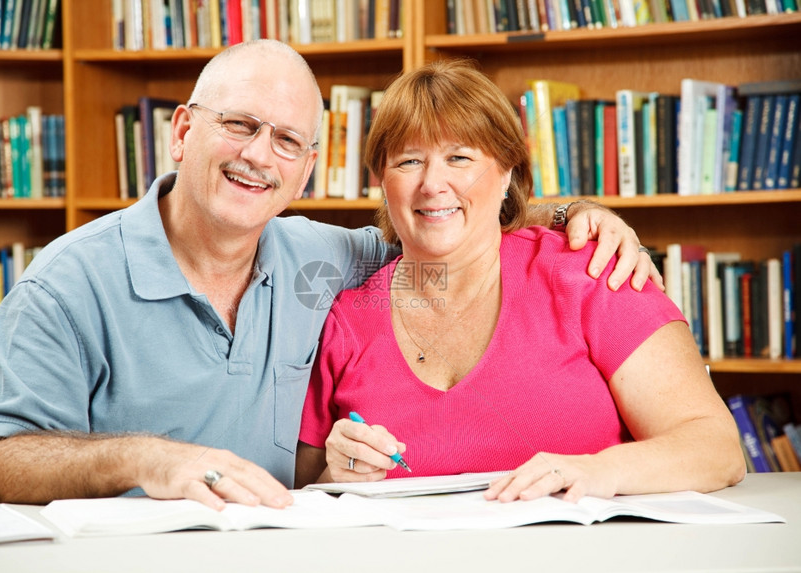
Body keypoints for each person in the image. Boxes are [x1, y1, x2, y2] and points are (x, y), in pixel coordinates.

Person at [0, 41, 657, 512]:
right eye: (239, 124)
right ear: (181, 132)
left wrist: (567, 212)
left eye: (288, 141)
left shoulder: (323, 258)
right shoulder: (66, 282)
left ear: (307, 168)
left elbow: (439, 220)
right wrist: (145, 459)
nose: (259, 156)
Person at [295, 59, 746, 502]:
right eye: (409, 161)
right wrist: (336, 474)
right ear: (382, 181)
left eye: (459, 157)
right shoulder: (347, 319)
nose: (433, 183)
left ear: (507, 172)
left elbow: (717, 448)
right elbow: (306, 485)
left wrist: (595, 469)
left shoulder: (589, 272)